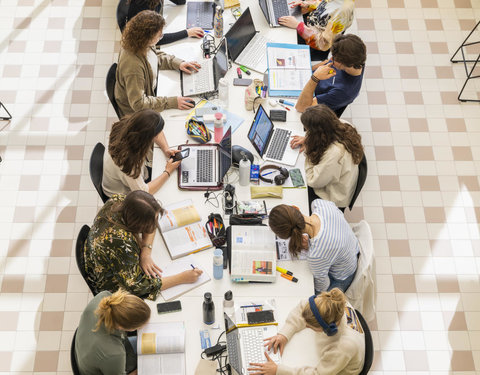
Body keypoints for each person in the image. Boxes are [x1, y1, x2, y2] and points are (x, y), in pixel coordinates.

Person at [84, 191, 203, 300]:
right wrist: (182, 278)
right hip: (110, 287)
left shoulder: (119, 200)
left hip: (110, 259)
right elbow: (138, 286)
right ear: (138, 224)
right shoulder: (120, 242)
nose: (156, 224)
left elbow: (151, 225)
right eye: (152, 221)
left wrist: (145, 253)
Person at [248, 289, 365, 375]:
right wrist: (284, 334)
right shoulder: (332, 305)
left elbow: (318, 374)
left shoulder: (344, 346)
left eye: (311, 327)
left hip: (338, 370)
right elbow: (303, 307)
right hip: (333, 359)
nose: (306, 326)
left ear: (328, 329)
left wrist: (278, 370)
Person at [115, 10, 201, 117]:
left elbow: (154, 56)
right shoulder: (133, 68)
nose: (161, 37)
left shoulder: (137, 42)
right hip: (137, 114)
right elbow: (138, 104)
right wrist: (171, 102)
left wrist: (178, 63)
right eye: (159, 36)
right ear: (147, 38)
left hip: (149, 91)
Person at [268, 200, 359, 294]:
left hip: (343, 275)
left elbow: (323, 287)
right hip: (352, 247)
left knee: (310, 293)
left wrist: (315, 247)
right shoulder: (320, 205)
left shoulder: (316, 255)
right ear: (295, 208)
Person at [290, 104, 363, 208]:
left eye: (308, 130)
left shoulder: (335, 154)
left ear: (317, 133)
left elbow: (314, 181)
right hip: (338, 175)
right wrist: (308, 138)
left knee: (296, 195)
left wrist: (309, 147)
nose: (307, 132)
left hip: (333, 198)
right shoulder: (343, 124)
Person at [102, 109, 180, 197]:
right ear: (145, 139)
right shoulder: (128, 163)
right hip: (121, 196)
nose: (158, 136)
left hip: (129, 178)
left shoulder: (126, 126)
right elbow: (143, 192)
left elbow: (156, 131)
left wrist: (166, 149)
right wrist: (168, 171)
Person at [75, 289, 150, 375]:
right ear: (122, 327)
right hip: (104, 362)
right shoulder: (114, 354)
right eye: (139, 327)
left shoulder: (103, 297)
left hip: (88, 350)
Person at [295, 34, 366, 117]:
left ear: (345, 63)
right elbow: (325, 63)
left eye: (334, 58)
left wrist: (315, 77)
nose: (331, 60)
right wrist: (305, 70)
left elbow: (301, 108)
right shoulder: (357, 60)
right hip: (305, 82)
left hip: (306, 97)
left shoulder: (343, 92)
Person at [279, 0, 355, 61]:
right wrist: (308, 5)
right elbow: (326, 6)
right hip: (310, 24)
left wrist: (298, 26)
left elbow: (323, 44)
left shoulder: (342, 11)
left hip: (313, 44)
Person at [118, 0, 204, 45]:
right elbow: (153, 39)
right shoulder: (143, 4)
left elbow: (180, 2)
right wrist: (187, 33)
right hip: (140, 43)